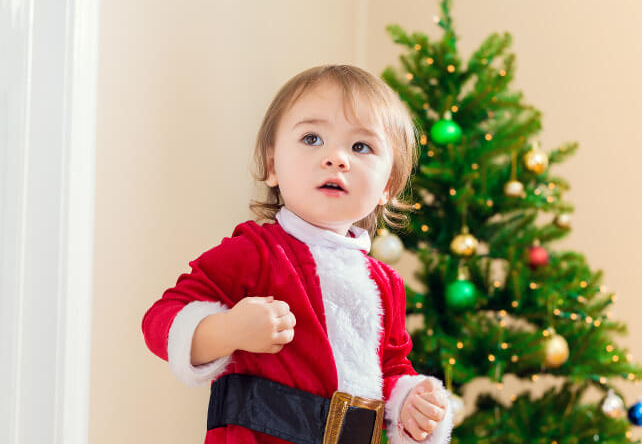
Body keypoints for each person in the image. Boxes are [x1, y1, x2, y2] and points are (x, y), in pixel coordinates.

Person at [141, 64, 453, 444]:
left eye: (361, 147)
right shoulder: (254, 253)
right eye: (312, 138)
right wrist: (228, 329)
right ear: (272, 166)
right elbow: (161, 321)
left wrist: (410, 401)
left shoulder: (385, 284)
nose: (337, 158)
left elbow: (389, 369)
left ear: (387, 185)